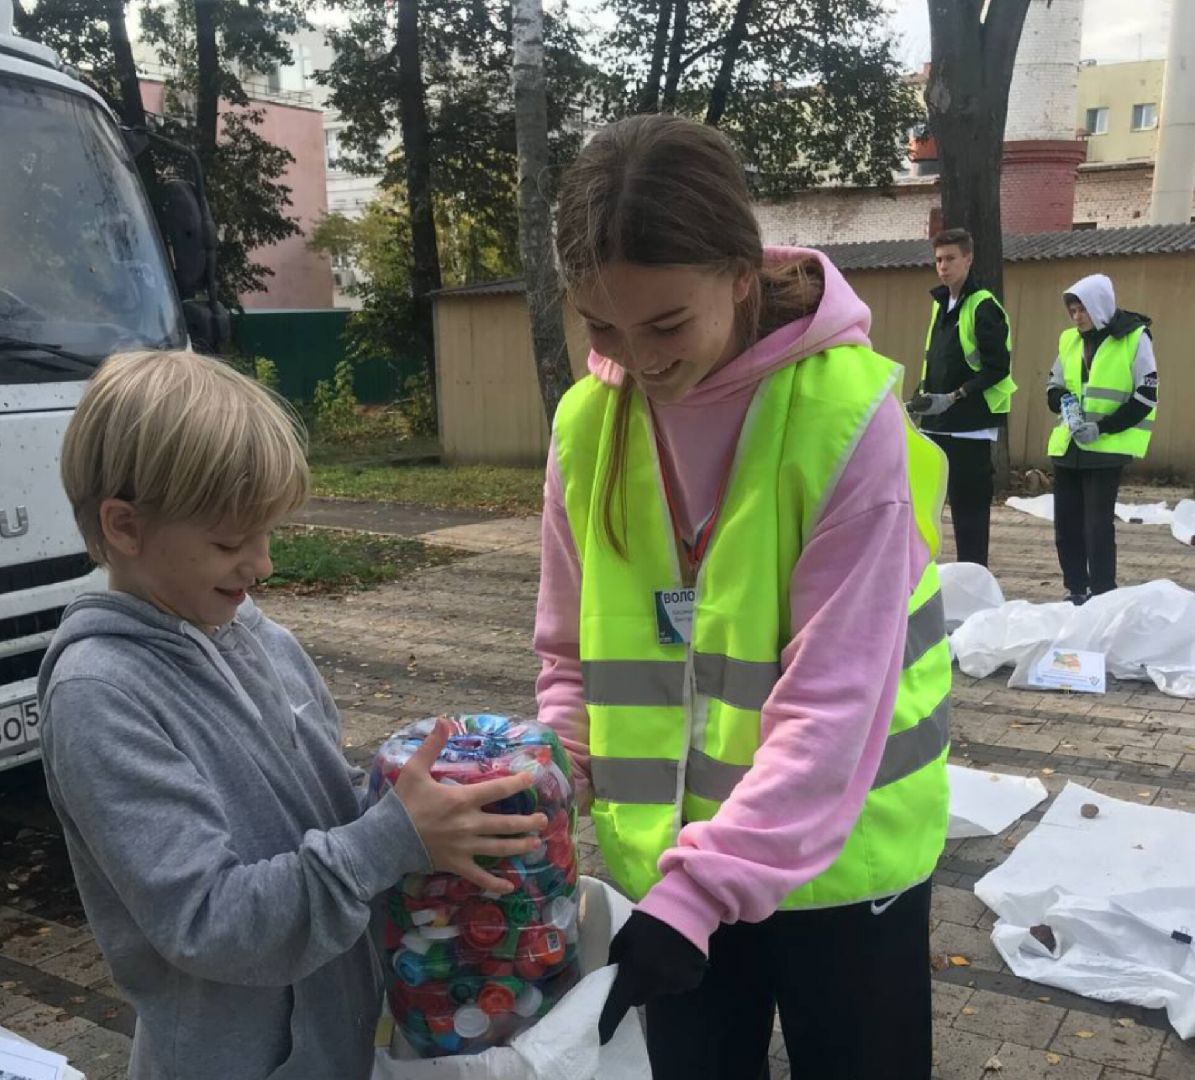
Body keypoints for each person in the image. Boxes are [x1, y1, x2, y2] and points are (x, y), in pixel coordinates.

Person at [534, 114, 952, 1080]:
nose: (636, 360)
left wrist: (697, 894)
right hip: (672, 876)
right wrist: (558, 764)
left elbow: (834, 704)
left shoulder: (846, 420)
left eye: (665, 324)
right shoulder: (587, 425)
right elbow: (567, 650)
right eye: (600, 325)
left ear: (740, 273)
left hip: (843, 875)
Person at [37, 350, 547, 1080]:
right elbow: (207, 921)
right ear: (124, 526)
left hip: (334, 1038)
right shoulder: (100, 694)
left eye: (268, 534)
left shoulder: (244, 628)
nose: (263, 565)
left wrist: (417, 789)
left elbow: (317, 794)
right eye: (228, 542)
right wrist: (386, 841)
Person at [1046, 274, 1158, 603]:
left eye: (1082, 310)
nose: (1077, 317)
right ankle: (1075, 589)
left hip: (1106, 448)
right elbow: (1054, 385)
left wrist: (1104, 427)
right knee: (1066, 526)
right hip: (1070, 445)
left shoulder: (1135, 338)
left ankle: (1103, 593)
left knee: (1097, 528)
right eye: (1072, 310)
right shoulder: (1069, 340)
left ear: (1100, 307)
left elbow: (1147, 395)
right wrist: (1065, 404)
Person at [908, 228, 1016, 567]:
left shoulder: (984, 307)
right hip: (937, 425)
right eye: (938, 259)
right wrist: (920, 398)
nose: (943, 266)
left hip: (970, 428)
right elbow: (935, 360)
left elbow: (997, 368)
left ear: (968, 259)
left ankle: (974, 577)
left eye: (951, 258)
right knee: (927, 505)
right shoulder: (941, 305)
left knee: (970, 512)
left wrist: (955, 396)